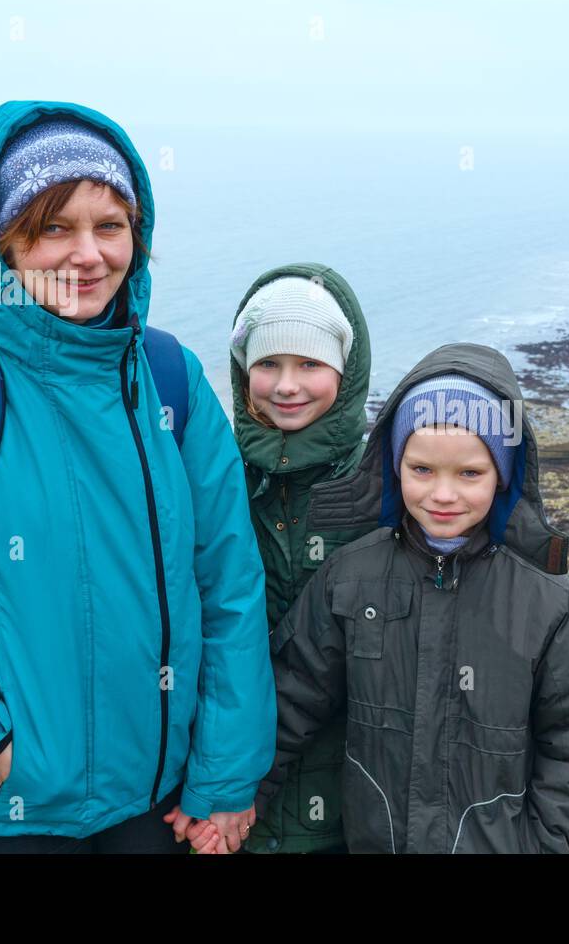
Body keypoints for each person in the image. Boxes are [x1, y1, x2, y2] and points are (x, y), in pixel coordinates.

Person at [0, 100, 275, 853]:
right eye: (53, 227)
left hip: (154, 812)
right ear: (4, 241)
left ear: (139, 235)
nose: (87, 254)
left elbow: (227, 587)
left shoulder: (171, 379)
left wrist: (225, 779)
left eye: (110, 225)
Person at [250, 342, 569, 853]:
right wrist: (240, 798)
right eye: (422, 469)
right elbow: (292, 698)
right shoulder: (350, 576)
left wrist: (546, 842)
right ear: (395, 465)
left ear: (504, 475)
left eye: (470, 473)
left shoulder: (546, 598)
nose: (443, 495)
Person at [186, 264, 371, 855]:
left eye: (310, 364)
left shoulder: (386, 485)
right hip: (235, 785)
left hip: (356, 786)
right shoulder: (215, 478)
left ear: (347, 371)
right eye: (268, 364)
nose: (287, 385)